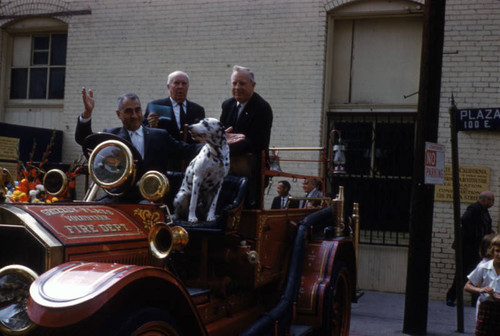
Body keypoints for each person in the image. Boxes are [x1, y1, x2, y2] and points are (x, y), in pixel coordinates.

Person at [75, 87, 201, 180]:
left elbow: (187, 151)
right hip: (120, 197)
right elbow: (84, 140)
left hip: (154, 198)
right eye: (129, 111)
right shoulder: (111, 136)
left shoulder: (159, 136)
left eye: (138, 110)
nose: (134, 116)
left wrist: (215, 144)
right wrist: (87, 113)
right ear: (119, 114)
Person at [220, 65, 273, 208]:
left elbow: (255, 142)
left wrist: (225, 145)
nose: (237, 87)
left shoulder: (262, 108)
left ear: (253, 85)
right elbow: (222, 133)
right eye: (234, 83)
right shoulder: (227, 105)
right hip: (227, 166)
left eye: (242, 83)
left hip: (251, 169)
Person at [447, 190, 496, 307]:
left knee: (476, 273)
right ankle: (451, 297)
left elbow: (484, 225)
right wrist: (477, 235)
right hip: (467, 248)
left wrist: (489, 232)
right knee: (463, 272)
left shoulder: (484, 211)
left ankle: (475, 299)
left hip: (476, 248)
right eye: (492, 200)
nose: (493, 203)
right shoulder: (474, 208)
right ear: (485, 199)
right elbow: (465, 221)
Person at [143, 71, 205, 143]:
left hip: (191, 152)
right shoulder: (156, 107)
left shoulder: (198, 110)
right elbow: (144, 132)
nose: (180, 87)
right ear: (168, 86)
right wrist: (151, 126)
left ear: (188, 87)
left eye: (184, 83)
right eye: (176, 83)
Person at [464, 234, 500, 335]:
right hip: (486, 307)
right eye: (497, 251)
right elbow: (467, 286)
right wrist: (481, 290)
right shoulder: (483, 267)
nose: (499, 255)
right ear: (492, 251)